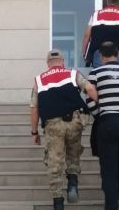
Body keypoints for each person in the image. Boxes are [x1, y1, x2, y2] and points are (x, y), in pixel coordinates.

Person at [30, 49, 98, 210]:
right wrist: (99, 105)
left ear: (48, 64)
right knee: (73, 153)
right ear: (62, 62)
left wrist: (34, 132)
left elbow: (34, 109)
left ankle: (58, 201)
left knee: (55, 162)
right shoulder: (72, 74)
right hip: (74, 121)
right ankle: (72, 183)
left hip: (53, 125)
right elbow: (89, 88)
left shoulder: (39, 80)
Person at [85, 42, 119, 210]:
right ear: (118, 55)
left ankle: (112, 204)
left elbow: (89, 100)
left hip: (109, 121)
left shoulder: (95, 73)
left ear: (101, 56)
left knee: (108, 164)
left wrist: (99, 115)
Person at [82, 0, 119, 68]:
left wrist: (84, 53)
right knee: (117, 74)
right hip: (118, 54)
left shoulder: (95, 15)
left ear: (107, 1)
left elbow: (87, 36)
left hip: (99, 54)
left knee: (100, 74)